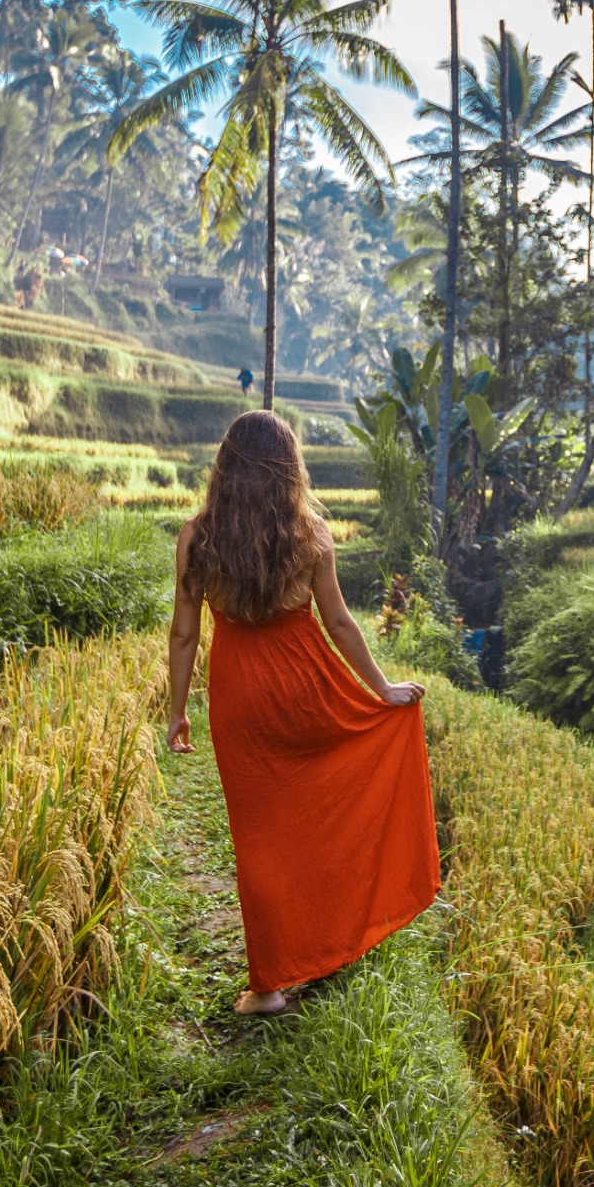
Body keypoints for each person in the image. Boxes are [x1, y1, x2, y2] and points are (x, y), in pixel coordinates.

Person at [164, 409, 438, 1015]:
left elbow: (185, 636)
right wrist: (382, 689)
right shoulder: (309, 531)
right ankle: (329, 939)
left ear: (225, 468)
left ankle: (269, 987)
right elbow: (337, 622)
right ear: (290, 468)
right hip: (306, 687)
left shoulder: (197, 536)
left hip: (240, 695)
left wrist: (178, 710)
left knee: (258, 837)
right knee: (321, 810)